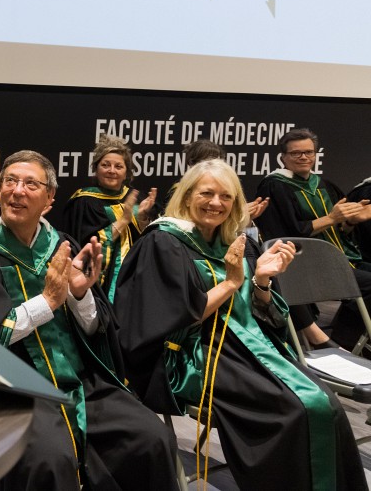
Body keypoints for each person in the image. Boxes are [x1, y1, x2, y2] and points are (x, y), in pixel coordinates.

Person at [0, 150, 179, 490]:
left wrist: (79, 295)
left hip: (79, 382)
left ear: (49, 199)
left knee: (151, 437)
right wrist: (46, 302)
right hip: (12, 389)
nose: (17, 191)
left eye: (31, 184)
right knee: (50, 459)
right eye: (10, 181)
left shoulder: (62, 245)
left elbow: (97, 330)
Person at [114, 159, 366, 491]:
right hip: (190, 354)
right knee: (290, 413)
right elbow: (167, 319)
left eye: (226, 196)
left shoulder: (233, 241)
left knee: (325, 404)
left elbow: (267, 316)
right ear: (187, 195)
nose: (215, 203)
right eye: (206, 193)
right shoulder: (163, 243)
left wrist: (261, 282)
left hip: (246, 347)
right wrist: (231, 284)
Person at [256, 128, 371, 348]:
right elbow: (284, 238)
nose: (303, 157)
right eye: (296, 153)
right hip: (307, 267)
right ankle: (342, 343)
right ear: (283, 157)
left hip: (342, 260)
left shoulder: (325, 186)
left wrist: (350, 221)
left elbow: (340, 233)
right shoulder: (274, 186)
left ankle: (347, 341)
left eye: (309, 152)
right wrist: (331, 217)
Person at [61, 134, 156, 301]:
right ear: (96, 169)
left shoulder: (137, 198)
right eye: (105, 165)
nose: (112, 171)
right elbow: (86, 246)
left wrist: (142, 217)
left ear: (127, 172)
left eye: (118, 166)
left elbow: (152, 242)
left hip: (138, 277)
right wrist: (123, 220)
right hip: (103, 285)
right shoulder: (84, 201)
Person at [158, 139, 269, 221]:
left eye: (225, 196)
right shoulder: (179, 190)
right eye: (207, 193)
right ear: (192, 164)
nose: (214, 167)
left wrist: (243, 219)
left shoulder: (228, 189)